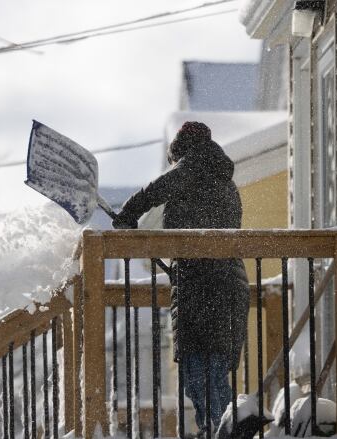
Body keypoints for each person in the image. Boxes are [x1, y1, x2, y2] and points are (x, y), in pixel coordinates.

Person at [112, 121, 249, 437]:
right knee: (206, 374)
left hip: (204, 288)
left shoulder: (195, 164)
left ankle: (222, 431)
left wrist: (127, 215)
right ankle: (219, 429)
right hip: (222, 286)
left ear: (181, 151)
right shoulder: (222, 180)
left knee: (201, 374)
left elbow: (154, 191)